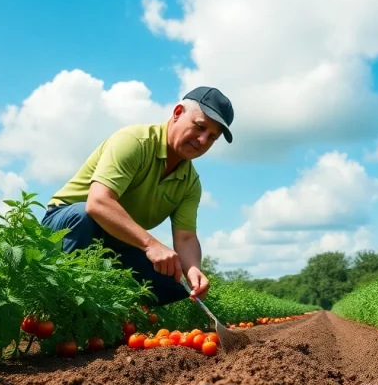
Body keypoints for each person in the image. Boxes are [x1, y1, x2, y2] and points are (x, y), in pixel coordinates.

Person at [41, 86, 234, 308]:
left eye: (212, 137)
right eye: (200, 127)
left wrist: (193, 270)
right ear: (178, 112)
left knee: (172, 281)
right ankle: (62, 311)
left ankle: (120, 317)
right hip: (66, 225)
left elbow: (186, 238)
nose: (202, 140)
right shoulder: (134, 141)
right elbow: (98, 203)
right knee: (82, 216)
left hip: (117, 239)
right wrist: (151, 244)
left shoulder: (190, 183)